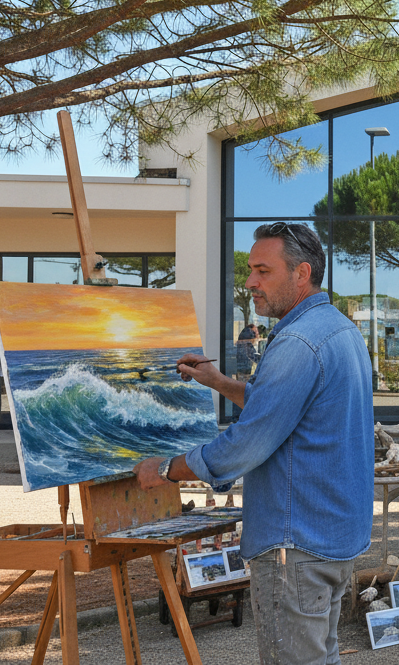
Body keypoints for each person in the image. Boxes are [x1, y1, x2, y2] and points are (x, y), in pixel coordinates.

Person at [133, 222, 372, 664]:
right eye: (250, 270)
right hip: (331, 539)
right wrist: (220, 382)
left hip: (296, 545)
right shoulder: (339, 329)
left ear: (301, 273)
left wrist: (166, 470)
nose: (249, 282)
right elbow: (286, 409)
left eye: (263, 271)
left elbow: (247, 444)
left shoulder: (298, 341)